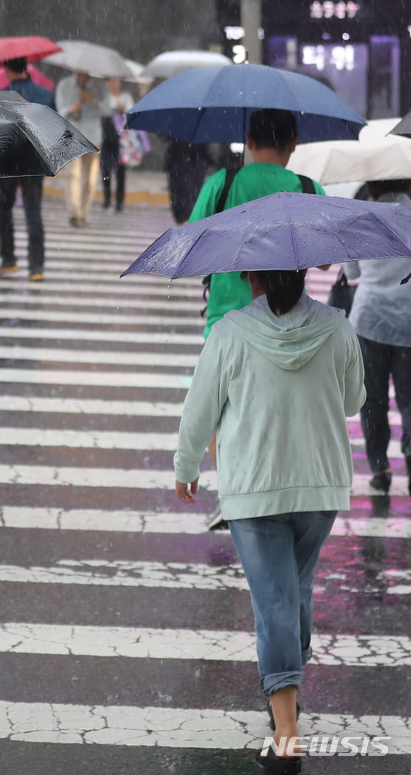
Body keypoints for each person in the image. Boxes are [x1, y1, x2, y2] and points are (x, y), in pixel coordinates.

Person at [174, 268, 365, 774]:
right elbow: (351, 402)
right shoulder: (338, 327)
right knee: (292, 592)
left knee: (275, 600)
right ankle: (287, 686)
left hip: (254, 488)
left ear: (250, 275)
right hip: (319, 486)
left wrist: (185, 466)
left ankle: (286, 731)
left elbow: (200, 409)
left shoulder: (229, 332)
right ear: (304, 274)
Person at [189, 109, 326, 531]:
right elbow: (322, 257)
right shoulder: (306, 188)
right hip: (288, 318)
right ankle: (279, 491)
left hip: (226, 319)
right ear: (294, 144)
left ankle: (233, 491)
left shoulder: (222, 184)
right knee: (280, 409)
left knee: (222, 410)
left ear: (248, 141)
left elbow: (194, 242)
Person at [343, 179, 411, 495]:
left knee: (373, 401)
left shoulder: (363, 218)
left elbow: (352, 273)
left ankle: (380, 467)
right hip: (408, 321)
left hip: (369, 321)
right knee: (409, 402)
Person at [0, 56, 54, 281]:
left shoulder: (1, 96)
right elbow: (52, 128)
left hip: (7, 163)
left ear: (7, 69)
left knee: (3, 211)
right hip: (34, 161)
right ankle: (36, 267)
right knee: (33, 213)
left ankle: (9, 260)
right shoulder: (45, 95)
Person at [55, 71, 109, 227]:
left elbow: (108, 110)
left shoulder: (100, 86)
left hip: (93, 138)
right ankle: (74, 214)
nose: (81, 76)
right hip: (72, 136)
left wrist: (92, 101)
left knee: (90, 180)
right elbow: (59, 112)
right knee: (73, 175)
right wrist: (71, 109)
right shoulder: (65, 85)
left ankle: (83, 214)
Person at [100, 77, 133, 213]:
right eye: (111, 81)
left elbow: (132, 115)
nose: (113, 84)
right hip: (106, 138)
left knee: (121, 171)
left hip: (121, 139)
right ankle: (107, 198)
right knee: (105, 169)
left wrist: (123, 109)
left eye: (116, 80)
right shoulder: (104, 97)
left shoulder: (126, 97)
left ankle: (120, 202)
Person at [163, 138, 212, 224]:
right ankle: (185, 220)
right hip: (178, 158)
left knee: (190, 193)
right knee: (180, 194)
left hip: (195, 158)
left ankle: (188, 220)